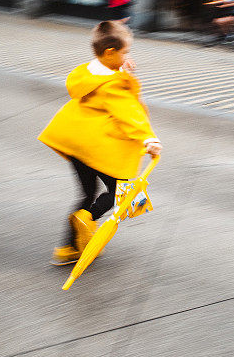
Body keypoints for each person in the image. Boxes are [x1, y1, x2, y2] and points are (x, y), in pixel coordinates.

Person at [38, 21, 162, 266]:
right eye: (125, 52)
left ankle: (68, 248)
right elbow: (128, 111)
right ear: (110, 52)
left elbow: (107, 89)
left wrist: (123, 73)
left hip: (75, 143)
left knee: (86, 193)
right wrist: (149, 138)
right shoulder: (114, 84)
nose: (128, 57)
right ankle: (88, 218)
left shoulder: (86, 73)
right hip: (98, 148)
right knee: (120, 193)